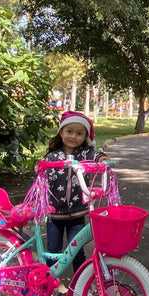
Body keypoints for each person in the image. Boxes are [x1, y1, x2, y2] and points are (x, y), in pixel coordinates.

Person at [45, 111, 108, 274]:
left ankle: (78, 284)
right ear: (61, 132)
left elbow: (96, 155)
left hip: (77, 212)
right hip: (54, 213)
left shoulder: (85, 154)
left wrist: (102, 160)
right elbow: (43, 179)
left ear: (85, 136)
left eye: (79, 133)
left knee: (77, 249)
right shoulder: (53, 157)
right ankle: (52, 282)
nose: (73, 136)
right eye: (69, 131)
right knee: (53, 249)